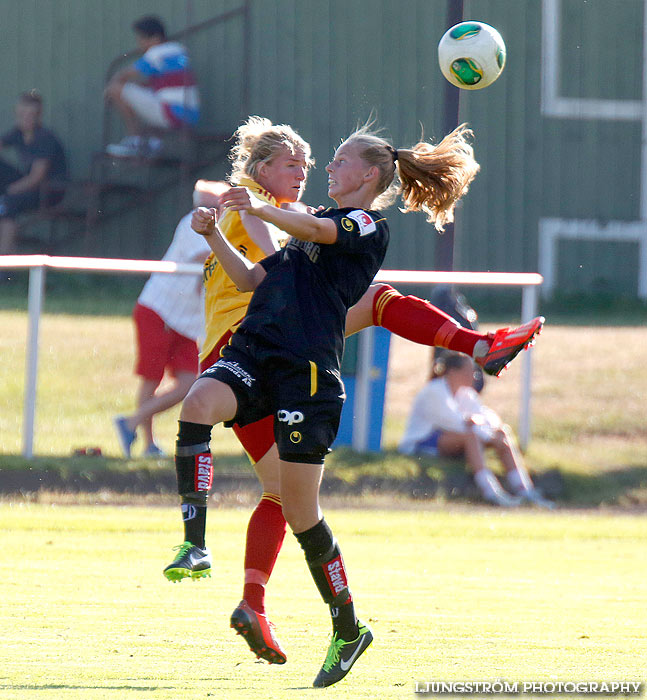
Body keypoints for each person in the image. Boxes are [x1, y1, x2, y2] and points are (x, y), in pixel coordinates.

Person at [161, 118, 544, 671]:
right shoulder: (267, 208)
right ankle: (208, 554)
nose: (314, 170)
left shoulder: (340, 220)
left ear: (368, 174)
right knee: (267, 475)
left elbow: (302, 240)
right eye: (297, 162)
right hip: (248, 342)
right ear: (264, 169)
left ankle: (276, 607)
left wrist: (256, 211)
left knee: (289, 501)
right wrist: (236, 217)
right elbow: (263, 267)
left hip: (296, 355)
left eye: (324, 161)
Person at [112, 180, 215, 457]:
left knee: (189, 382)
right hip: (160, 311)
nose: (212, 209)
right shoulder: (193, 223)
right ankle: (147, 443)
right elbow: (205, 256)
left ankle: (130, 424)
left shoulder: (220, 229)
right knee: (151, 379)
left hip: (185, 322)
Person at [399, 352, 554, 508]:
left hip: (456, 439)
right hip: (421, 443)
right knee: (471, 436)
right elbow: (457, 423)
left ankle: (525, 490)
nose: (473, 376)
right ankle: (491, 492)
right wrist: (488, 435)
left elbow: (488, 417)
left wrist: (494, 433)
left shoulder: (466, 394)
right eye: (468, 371)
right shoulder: (434, 391)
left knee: (502, 433)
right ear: (453, 372)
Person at [104, 15, 200, 158]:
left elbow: (123, 76)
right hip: (190, 115)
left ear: (155, 39)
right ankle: (154, 144)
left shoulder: (156, 52)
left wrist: (108, 93)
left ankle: (135, 142)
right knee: (146, 92)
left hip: (173, 113)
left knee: (115, 88)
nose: (140, 44)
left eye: (142, 39)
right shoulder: (178, 49)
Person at [0, 90, 67, 254]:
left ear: (39, 116)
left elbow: (36, 178)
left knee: (7, 203)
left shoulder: (44, 138)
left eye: (31, 115)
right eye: (22, 114)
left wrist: (7, 192)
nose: (26, 118)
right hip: (29, 186)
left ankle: (4, 263)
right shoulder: (18, 132)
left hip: (49, 190)